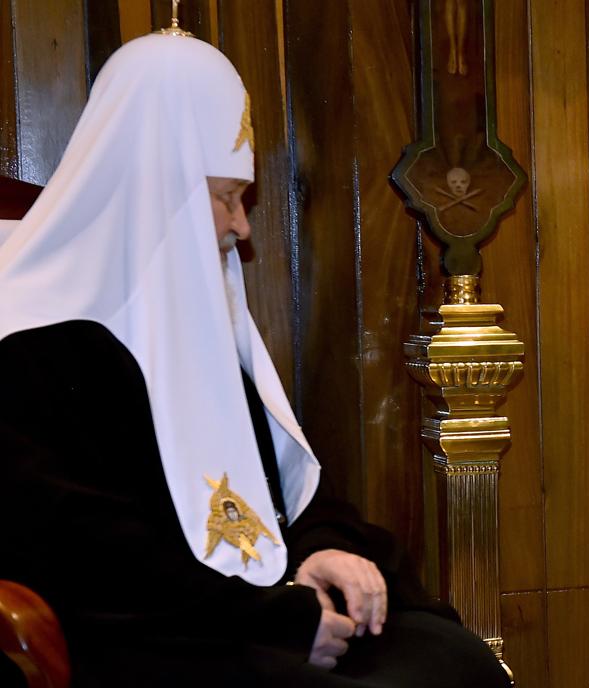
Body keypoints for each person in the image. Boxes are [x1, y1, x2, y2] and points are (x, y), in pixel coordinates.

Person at [0, 31, 510, 688]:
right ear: (154, 190)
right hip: (139, 642)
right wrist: (281, 619)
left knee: (448, 657)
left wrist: (326, 549)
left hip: (247, 619)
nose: (242, 226)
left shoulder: (190, 334)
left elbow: (279, 492)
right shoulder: (30, 347)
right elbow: (84, 555)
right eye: (225, 196)